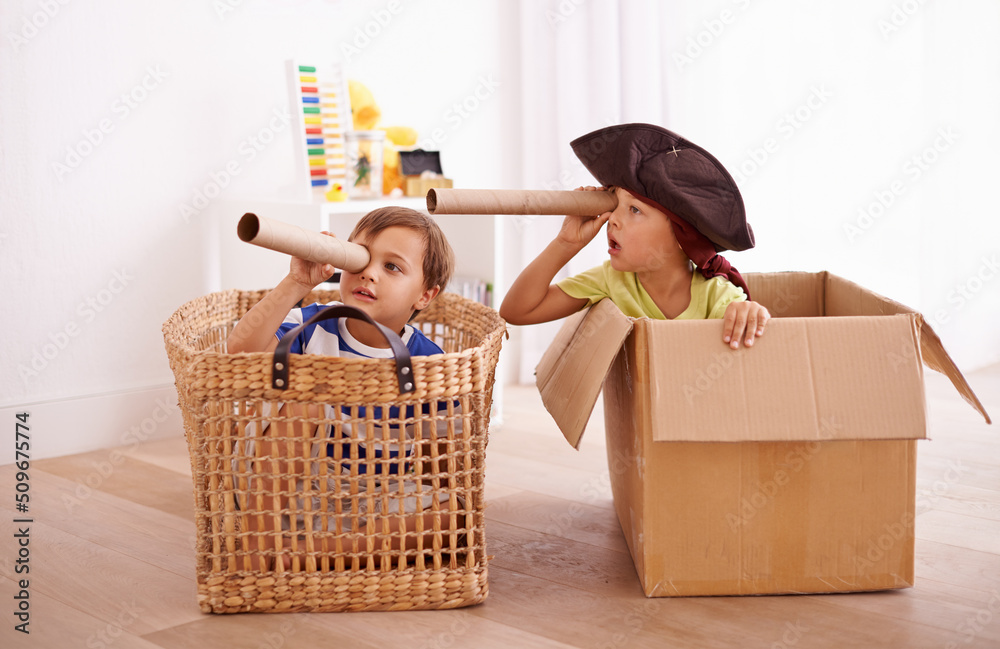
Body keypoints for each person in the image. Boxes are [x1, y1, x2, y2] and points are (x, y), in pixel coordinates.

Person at [227, 206, 458, 570]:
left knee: (456, 513)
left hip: (377, 494)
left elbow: (443, 455)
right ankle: (261, 547)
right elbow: (240, 350)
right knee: (307, 405)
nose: (368, 273)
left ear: (425, 296)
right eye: (361, 258)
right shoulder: (312, 325)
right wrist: (298, 284)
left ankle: (320, 555)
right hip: (290, 487)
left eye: (392, 267)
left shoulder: (428, 362)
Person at [500, 123, 770, 347]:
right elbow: (516, 311)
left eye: (634, 210)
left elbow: (747, 325)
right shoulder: (610, 280)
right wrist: (565, 244)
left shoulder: (717, 295)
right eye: (613, 206)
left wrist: (748, 311)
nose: (612, 220)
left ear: (682, 236)